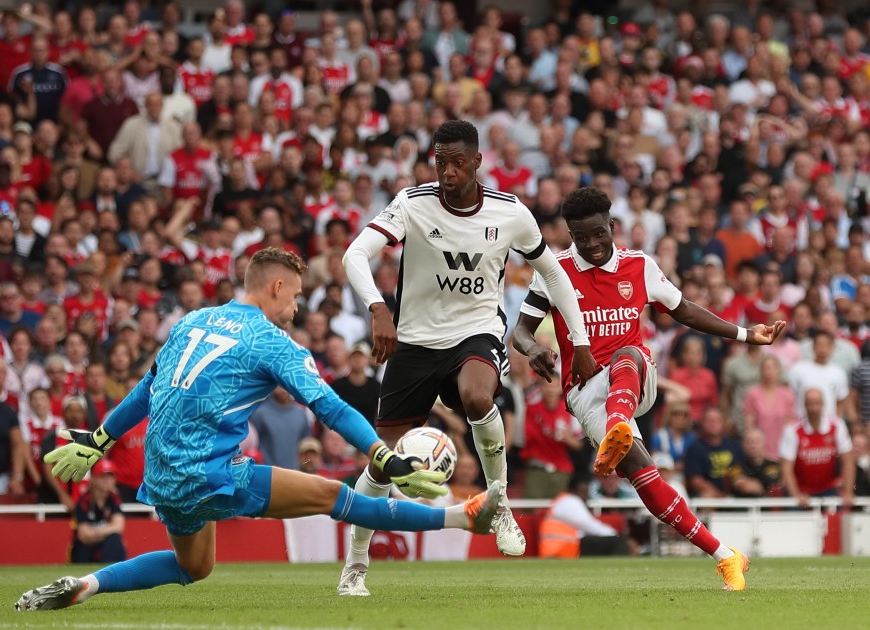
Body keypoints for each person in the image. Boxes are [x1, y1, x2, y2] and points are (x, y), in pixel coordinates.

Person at [15, 248, 501, 611]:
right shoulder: (272, 341)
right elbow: (328, 405)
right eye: (295, 297)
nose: (296, 308)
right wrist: (383, 456)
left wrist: (100, 440)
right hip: (210, 473)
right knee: (338, 496)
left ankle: (86, 585)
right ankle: (464, 517)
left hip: (161, 474)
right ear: (275, 289)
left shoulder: (193, 320)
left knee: (193, 567)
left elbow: (147, 386)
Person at [338, 120, 594, 593]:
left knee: (479, 398)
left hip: (475, 335)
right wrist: (378, 307)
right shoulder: (413, 204)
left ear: (477, 162)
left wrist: (578, 341)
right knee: (379, 461)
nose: (448, 171)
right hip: (413, 343)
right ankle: (355, 565)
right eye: (441, 162)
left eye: (458, 162)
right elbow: (355, 254)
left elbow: (555, 276)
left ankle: (499, 506)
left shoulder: (511, 213)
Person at [512, 187, 786, 591]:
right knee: (647, 480)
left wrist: (746, 334)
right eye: (580, 237)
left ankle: (618, 424)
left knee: (629, 351)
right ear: (569, 233)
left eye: (598, 233)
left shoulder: (638, 265)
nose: (591, 244)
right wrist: (535, 348)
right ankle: (726, 556)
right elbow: (520, 329)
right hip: (585, 391)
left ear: (612, 226)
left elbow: (685, 309)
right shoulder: (554, 271)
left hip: (634, 378)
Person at [779, 388, 855, 507]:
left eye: (817, 403)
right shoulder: (792, 430)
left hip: (828, 488)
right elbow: (786, 468)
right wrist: (796, 495)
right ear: (804, 405)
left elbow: (848, 461)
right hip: (801, 489)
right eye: (810, 403)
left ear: (823, 404)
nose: (813, 408)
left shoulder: (837, 426)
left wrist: (848, 492)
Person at [71, 459, 127, 564]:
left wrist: (95, 532)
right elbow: (83, 536)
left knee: (115, 539)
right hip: (85, 550)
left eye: (110, 476)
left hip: (103, 545)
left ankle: (109, 571)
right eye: (103, 476)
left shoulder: (114, 499)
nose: (107, 480)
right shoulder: (84, 501)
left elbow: (118, 527)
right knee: (85, 546)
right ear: (94, 479)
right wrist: (108, 530)